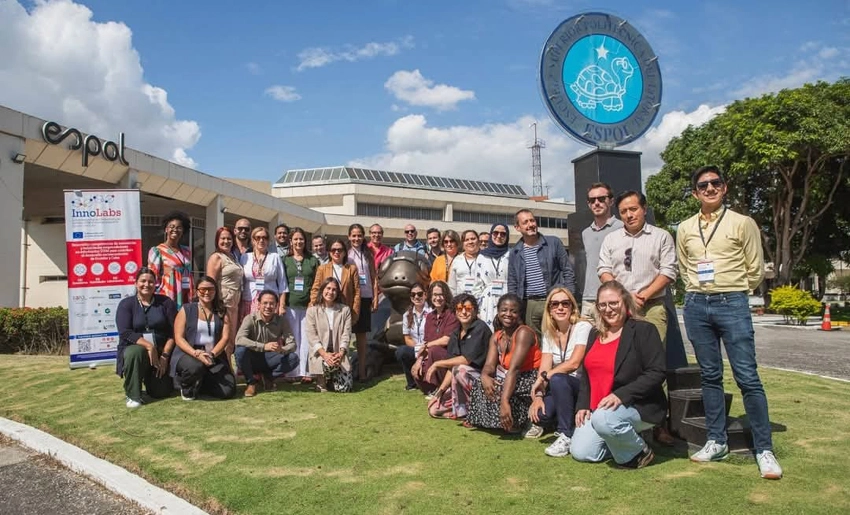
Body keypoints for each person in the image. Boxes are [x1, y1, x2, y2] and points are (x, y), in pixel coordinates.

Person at [677, 165, 782, 479]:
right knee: (709, 376)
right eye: (703, 185)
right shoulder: (684, 227)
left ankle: (764, 448)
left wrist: (735, 292)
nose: (710, 188)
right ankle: (716, 440)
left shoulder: (742, 222)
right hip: (696, 303)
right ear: (695, 192)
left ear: (724, 188)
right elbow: (685, 266)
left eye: (715, 183)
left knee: (747, 376)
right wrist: (699, 290)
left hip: (732, 302)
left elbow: (755, 268)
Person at [570, 281, 666, 469]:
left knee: (604, 419)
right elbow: (587, 375)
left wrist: (621, 395)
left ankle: (640, 453)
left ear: (625, 301)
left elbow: (656, 372)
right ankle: (622, 439)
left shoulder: (643, 330)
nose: (609, 309)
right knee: (581, 452)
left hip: (637, 405)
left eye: (614, 303)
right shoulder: (594, 333)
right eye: (603, 305)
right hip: (600, 410)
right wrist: (582, 405)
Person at [598, 190, 677, 345]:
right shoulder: (611, 239)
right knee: (622, 356)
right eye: (623, 211)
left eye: (633, 209)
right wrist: (626, 296)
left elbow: (668, 271)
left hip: (651, 307)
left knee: (653, 356)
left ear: (644, 209)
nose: (629, 215)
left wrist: (644, 296)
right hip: (620, 308)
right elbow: (603, 270)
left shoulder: (661, 236)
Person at [528, 287, 592, 456]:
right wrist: (539, 397)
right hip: (559, 387)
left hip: (581, 387)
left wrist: (546, 376)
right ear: (549, 309)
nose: (560, 308)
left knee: (557, 378)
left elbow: (574, 363)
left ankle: (566, 434)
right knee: (540, 415)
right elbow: (544, 366)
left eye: (565, 303)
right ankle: (565, 418)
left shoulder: (582, 326)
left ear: (572, 307)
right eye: (554, 304)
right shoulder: (549, 333)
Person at [467, 294, 541, 433]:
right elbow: (489, 365)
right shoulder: (497, 336)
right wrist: (485, 376)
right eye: (504, 310)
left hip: (528, 377)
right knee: (480, 384)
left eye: (513, 311)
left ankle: (515, 421)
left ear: (519, 314)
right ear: (498, 311)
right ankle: (497, 421)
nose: (508, 314)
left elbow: (515, 368)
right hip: (511, 376)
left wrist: (504, 401)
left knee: (502, 391)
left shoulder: (524, 332)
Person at [115, 267, 176, 408]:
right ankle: (133, 395)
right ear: (136, 283)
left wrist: (165, 355)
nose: (146, 285)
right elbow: (125, 332)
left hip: (161, 353)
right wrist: (149, 346)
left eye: (150, 282)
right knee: (135, 352)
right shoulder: (126, 304)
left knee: (161, 392)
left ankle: (150, 382)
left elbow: (174, 331)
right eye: (143, 281)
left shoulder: (165, 302)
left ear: (155, 284)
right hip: (136, 349)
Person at [508, 209, 576, 334]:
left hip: (553, 300)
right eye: (525, 222)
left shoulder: (553, 243)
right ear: (517, 227)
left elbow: (567, 270)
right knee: (535, 342)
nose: (530, 225)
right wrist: (514, 308)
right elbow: (512, 282)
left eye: (532, 220)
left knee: (558, 336)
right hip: (530, 305)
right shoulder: (515, 252)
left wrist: (569, 297)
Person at [426, 294, 492, 419]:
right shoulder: (455, 333)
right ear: (455, 311)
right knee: (434, 409)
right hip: (462, 383)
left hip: (483, 381)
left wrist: (437, 363)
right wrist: (439, 392)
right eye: (460, 308)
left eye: (468, 308)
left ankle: (471, 413)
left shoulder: (480, 328)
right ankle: (462, 412)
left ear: (475, 310)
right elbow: (452, 367)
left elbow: (466, 360)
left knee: (460, 370)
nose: (463, 312)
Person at [171, 276, 236, 400]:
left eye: (211, 289)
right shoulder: (186, 309)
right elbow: (179, 338)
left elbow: (225, 338)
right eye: (203, 289)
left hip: (213, 354)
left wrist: (211, 354)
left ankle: (201, 383)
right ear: (196, 291)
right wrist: (195, 353)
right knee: (195, 366)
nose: (207, 292)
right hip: (189, 353)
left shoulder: (222, 311)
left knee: (229, 390)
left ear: (215, 291)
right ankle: (186, 387)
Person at [235, 290, 298, 397]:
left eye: (272, 303)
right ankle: (251, 383)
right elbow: (239, 339)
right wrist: (263, 346)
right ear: (259, 305)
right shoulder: (250, 319)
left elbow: (292, 344)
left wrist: (282, 349)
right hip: (252, 357)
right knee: (240, 351)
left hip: (270, 358)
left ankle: (268, 378)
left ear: (276, 306)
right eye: (265, 303)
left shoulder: (282, 321)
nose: (268, 306)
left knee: (293, 358)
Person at [581, 183, 623, 318]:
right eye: (592, 200)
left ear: (611, 201)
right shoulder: (585, 233)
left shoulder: (622, 228)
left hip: (611, 300)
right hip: (588, 298)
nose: (596, 203)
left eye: (601, 199)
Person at [282, 227, 319, 381]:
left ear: (305, 241)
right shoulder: (284, 260)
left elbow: (317, 283)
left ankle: (306, 372)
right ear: (291, 241)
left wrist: (313, 302)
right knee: (292, 339)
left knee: (306, 339)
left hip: (308, 306)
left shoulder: (313, 260)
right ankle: (292, 372)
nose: (298, 242)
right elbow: (282, 283)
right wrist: (282, 304)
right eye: (295, 239)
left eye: (301, 239)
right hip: (290, 305)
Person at [306, 277, 354, 392]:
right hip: (321, 354)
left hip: (338, 354)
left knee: (345, 388)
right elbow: (312, 337)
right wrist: (325, 355)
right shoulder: (312, 311)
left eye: (334, 290)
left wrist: (341, 353)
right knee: (326, 364)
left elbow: (346, 334)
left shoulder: (345, 310)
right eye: (328, 288)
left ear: (337, 293)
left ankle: (332, 380)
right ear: (322, 290)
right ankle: (321, 380)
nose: (330, 292)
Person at [412, 281, 459, 395]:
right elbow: (426, 342)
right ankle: (431, 389)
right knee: (416, 369)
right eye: (435, 295)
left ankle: (441, 387)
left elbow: (447, 339)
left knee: (434, 350)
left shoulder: (451, 315)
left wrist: (427, 346)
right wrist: (418, 361)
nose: (438, 298)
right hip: (432, 354)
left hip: (448, 355)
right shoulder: (429, 317)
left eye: (440, 294)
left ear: (446, 296)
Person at [205, 226, 243, 364]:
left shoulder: (233, 257)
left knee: (231, 340)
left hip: (234, 304)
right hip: (223, 304)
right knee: (223, 339)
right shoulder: (216, 257)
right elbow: (210, 283)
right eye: (223, 238)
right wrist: (215, 306)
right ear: (217, 241)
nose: (226, 241)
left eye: (229, 238)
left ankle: (228, 369)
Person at [348, 224, 378, 381]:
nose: (356, 238)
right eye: (353, 235)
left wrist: (375, 297)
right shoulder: (346, 254)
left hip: (365, 297)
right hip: (350, 299)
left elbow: (373, 277)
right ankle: (345, 370)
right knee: (345, 336)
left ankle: (361, 371)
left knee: (361, 337)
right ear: (349, 237)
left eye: (359, 235)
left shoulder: (368, 254)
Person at [310, 238, 361, 333]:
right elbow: (315, 290)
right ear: (329, 252)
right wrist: (314, 308)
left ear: (345, 252)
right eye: (333, 250)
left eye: (340, 250)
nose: (336, 252)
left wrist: (355, 314)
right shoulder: (322, 269)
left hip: (344, 311)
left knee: (342, 344)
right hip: (325, 311)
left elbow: (357, 293)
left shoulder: (352, 269)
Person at [240, 227, 288, 322]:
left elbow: (283, 284)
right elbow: (242, 282)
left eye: (264, 237)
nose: (261, 240)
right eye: (258, 237)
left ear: (268, 240)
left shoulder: (275, 257)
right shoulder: (245, 257)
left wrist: (282, 306)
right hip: (249, 302)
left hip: (269, 303)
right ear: (253, 240)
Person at [147, 211, 193, 309]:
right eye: (171, 226)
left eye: (179, 227)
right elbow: (153, 276)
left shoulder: (187, 251)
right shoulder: (157, 250)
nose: (175, 229)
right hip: (168, 295)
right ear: (166, 229)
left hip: (186, 293)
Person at [395, 283, 432, 390]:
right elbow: (407, 338)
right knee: (401, 351)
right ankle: (411, 383)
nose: (416, 297)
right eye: (413, 294)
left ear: (425, 295)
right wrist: (418, 349)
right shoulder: (407, 315)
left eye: (420, 294)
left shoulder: (432, 312)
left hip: (429, 347)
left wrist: (424, 348)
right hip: (416, 347)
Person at [474, 224, 510, 329]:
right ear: (491, 234)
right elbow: (478, 284)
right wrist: (477, 308)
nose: (499, 236)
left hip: (507, 298)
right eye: (495, 233)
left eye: (503, 234)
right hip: (487, 302)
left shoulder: (511, 254)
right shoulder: (482, 256)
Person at [448, 230, 480, 296]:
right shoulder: (457, 260)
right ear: (463, 244)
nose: (470, 242)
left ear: (478, 241)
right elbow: (452, 286)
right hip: (461, 301)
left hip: (480, 300)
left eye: (473, 239)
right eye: (467, 240)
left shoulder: (485, 259)